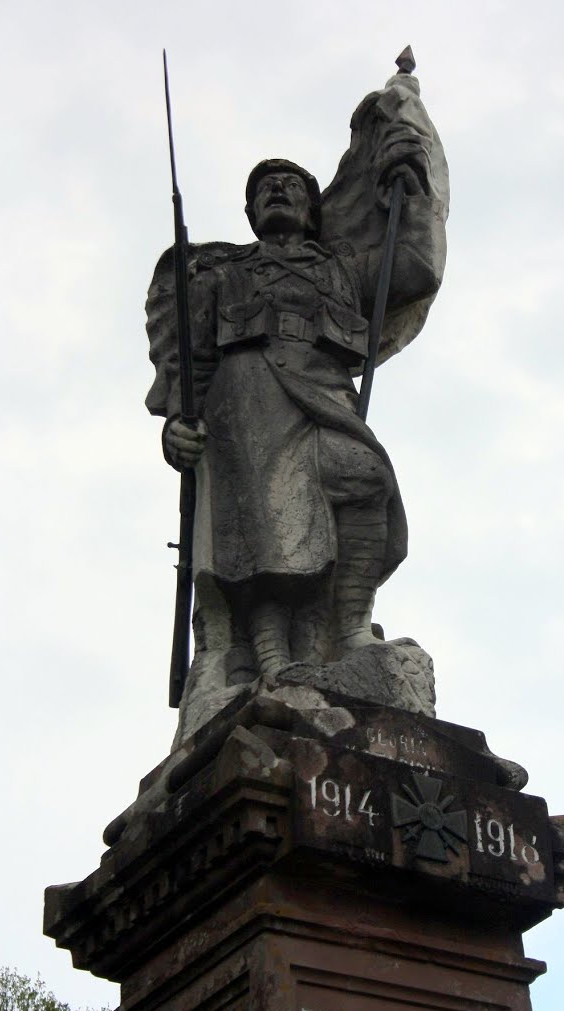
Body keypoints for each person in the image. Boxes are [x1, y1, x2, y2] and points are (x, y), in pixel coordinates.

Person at [146, 66, 448, 730]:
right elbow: (189, 359)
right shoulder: (220, 274)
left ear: (313, 210)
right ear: (250, 212)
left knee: (365, 482)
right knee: (262, 533)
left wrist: (412, 186)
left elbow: (414, 267)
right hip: (244, 403)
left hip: (323, 395)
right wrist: (177, 423)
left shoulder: (340, 268)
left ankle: (350, 628)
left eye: (290, 187)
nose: (277, 193)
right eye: (264, 190)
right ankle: (269, 660)